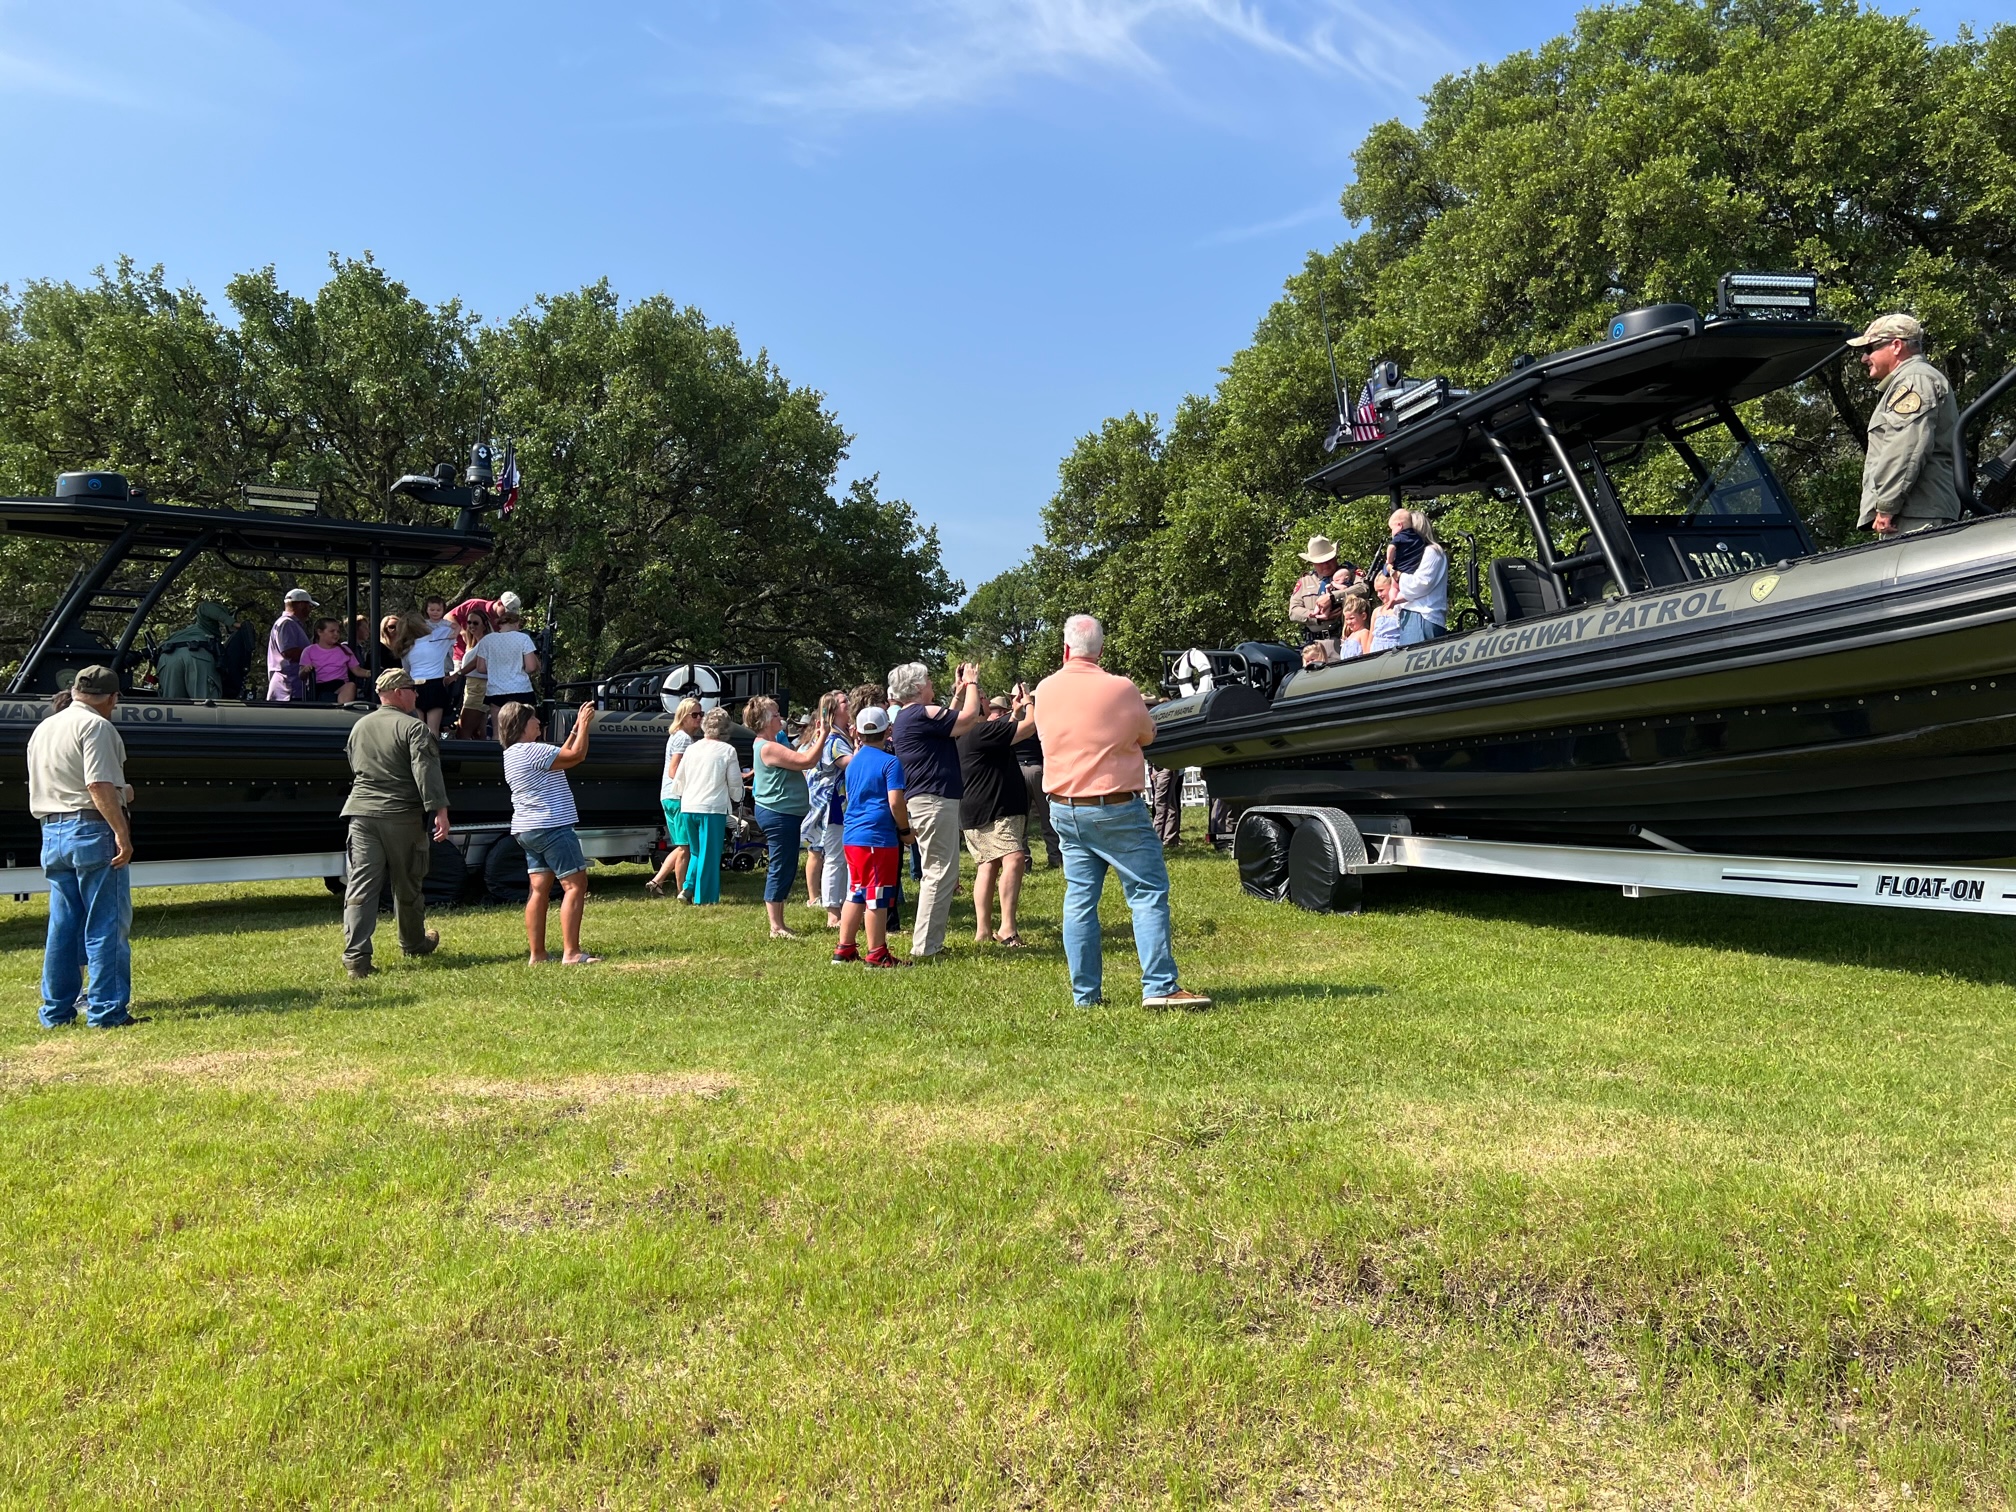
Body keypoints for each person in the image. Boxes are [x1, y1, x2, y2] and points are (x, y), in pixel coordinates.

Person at [1035, 615, 1209, 1011]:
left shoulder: (1044, 690)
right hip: (1114, 805)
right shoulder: (1120, 688)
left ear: (1065, 649)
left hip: (1063, 807)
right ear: (1100, 650)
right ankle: (1160, 985)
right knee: (1147, 893)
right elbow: (1147, 734)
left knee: (1079, 900)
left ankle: (1085, 995)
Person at [28, 666, 136, 1028]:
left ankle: (56, 1011)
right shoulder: (97, 726)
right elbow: (97, 784)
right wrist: (121, 831)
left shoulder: (44, 728)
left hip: (51, 831)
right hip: (90, 828)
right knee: (106, 921)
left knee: (63, 924)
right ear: (111, 698)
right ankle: (107, 1011)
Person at [339, 669, 450, 980]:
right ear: (400, 692)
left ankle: (357, 958)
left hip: (360, 814)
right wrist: (440, 811)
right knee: (408, 882)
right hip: (401, 815)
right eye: (413, 690)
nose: (416, 695)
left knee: (361, 886)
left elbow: (354, 765)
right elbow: (426, 774)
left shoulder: (359, 726)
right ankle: (414, 943)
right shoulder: (415, 728)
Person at [889, 659, 983, 961]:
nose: (932, 684)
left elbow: (948, 721)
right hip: (933, 800)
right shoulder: (919, 713)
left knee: (939, 871)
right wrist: (971, 683)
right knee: (939, 872)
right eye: (928, 680)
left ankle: (929, 943)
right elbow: (967, 719)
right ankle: (927, 947)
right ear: (917, 687)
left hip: (927, 800)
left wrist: (957, 692)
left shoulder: (911, 716)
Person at [498, 699, 600, 965]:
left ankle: (538, 955)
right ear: (521, 725)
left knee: (538, 890)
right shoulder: (531, 750)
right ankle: (572, 952)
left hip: (527, 829)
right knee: (575, 885)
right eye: (533, 719)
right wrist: (587, 725)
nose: (538, 723)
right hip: (551, 825)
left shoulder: (513, 753)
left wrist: (576, 727)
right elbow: (576, 756)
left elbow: (562, 755)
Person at [1847, 312, 1963, 536]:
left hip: (1917, 515)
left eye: (1869, 349)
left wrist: (1887, 506)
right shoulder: (1911, 380)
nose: (1864, 358)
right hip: (1915, 511)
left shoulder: (1914, 380)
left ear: (1896, 346)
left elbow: (1906, 447)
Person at [832, 705, 912, 968]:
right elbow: (895, 803)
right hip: (877, 838)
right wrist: (905, 830)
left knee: (856, 891)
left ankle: (844, 948)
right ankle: (877, 953)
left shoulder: (853, 762)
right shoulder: (890, 762)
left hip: (852, 836)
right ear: (888, 731)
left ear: (858, 733)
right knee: (877, 896)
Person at [957, 689, 1038, 946]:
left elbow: (1005, 730)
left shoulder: (964, 734)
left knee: (988, 864)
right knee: (1014, 858)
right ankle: (1007, 929)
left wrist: (1014, 713)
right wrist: (1030, 705)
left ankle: (982, 931)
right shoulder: (981, 731)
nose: (985, 701)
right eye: (980, 698)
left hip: (975, 811)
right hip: (994, 810)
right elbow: (1028, 728)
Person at [745, 693, 822, 939]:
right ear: (767, 720)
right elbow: (807, 761)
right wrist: (825, 735)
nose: (781, 718)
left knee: (786, 864)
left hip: (784, 813)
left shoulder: (773, 742)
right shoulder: (767, 747)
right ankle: (775, 926)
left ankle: (779, 923)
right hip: (779, 813)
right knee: (780, 865)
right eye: (776, 715)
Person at [670, 707, 742, 905]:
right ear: (726, 729)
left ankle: (688, 887)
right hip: (711, 808)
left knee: (696, 851)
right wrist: (738, 796)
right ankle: (705, 899)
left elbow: (679, 779)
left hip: (688, 805)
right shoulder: (728, 750)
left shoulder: (692, 748)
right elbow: (735, 783)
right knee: (710, 855)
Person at [802, 690, 852, 927]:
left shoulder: (842, 737)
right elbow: (851, 764)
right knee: (834, 858)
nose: (849, 704)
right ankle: (833, 912)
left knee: (844, 858)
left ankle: (842, 905)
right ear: (832, 711)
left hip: (843, 806)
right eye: (844, 702)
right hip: (834, 807)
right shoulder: (833, 740)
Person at [645, 698, 704, 900]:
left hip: (668, 796)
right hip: (678, 797)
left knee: (681, 845)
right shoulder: (684, 739)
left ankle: (657, 881)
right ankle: (683, 892)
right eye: (694, 715)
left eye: (701, 714)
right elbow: (674, 770)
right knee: (685, 848)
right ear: (683, 716)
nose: (699, 719)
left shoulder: (677, 736)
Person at [469, 608, 540, 719]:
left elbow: (480, 668)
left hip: (496, 690)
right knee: (523, 728)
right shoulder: (523, 638)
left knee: (499, 731)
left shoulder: (487, 640)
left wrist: (496, 670)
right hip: (521, 689)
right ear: (516, 624)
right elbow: (531, 667)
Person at [405, 595, 460, 734]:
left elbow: (406, 669)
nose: (435, 612)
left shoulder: (405, 646)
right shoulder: (439, 638)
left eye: (438, 609)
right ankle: (433, 753)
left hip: (415, 685)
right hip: (435, 683)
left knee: (418, 728)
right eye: (432, 609)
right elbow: (456, 630)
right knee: (433, 729)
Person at [1394, 511, 1448, 644]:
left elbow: (1419, 584)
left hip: (1422, 615)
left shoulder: (1432, 552)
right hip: (1412, 616)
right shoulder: (1415, 554)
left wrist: (1399, 576)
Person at [1014, 722, 1063, 869]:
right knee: (1048, 816)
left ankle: (1024, 862)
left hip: (1016, 768)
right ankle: (1055, 858)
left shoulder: (1009, 721)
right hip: (1037, 768)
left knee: (1020, 819)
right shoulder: (1039, 721)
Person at [1287, 536, 1347, 648]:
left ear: (1335, 558)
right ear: (1312, 563)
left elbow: (1364, 589)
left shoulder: (1348, 574)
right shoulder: (1305, 581)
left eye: (1328, 560)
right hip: (1315, 644)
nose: (1325, 565)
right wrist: (1317, 617)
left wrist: (1333, 597)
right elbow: (1293, 611)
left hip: (1345, 639)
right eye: (1320, 562)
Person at [265, 586, 317, 701]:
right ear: (301, 605)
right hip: (287, 690)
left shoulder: (292, 624)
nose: (310, 610)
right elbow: (289, 652)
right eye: (310, 606)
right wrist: (317, 655)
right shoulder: (287, 623)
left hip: (291, 688)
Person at [301, 617, 369, 703]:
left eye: (338, 631)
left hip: (340, 685)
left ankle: (341, 711)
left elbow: (357, 670)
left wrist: (371, 673)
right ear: (319, 632)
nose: (336, 634)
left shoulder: (344, 649)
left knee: (351, 686)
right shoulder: (309, 651)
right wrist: (305, 670)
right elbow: (301, 675)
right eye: (332, 631)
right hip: (318, 687)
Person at [452, 607, 492, 739]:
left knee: (463, 730)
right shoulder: (473, 643)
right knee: (478, 731)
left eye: (476, 623)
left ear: (485, 625)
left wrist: (456, 675)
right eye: (469, 623)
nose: (471, 626)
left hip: (478, 687)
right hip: (471, 686)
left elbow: (475, 663)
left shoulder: (487, 642)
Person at [1369, 572, 1404, 652]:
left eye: (1381, 590)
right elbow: (1370, 639)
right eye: (1377, 591)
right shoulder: (1377, 611)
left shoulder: (1400, 609)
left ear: (1392, 587)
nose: (1378, 594)